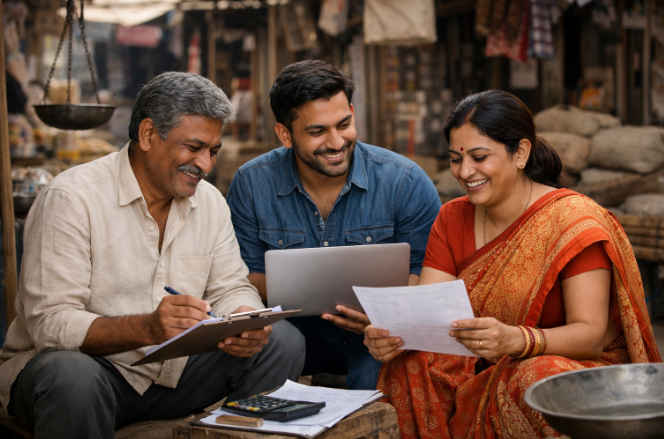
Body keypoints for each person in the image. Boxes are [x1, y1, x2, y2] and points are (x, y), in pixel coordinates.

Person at [0, 72, 305, 438]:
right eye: (193, 147)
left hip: (172, 377)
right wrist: (147, 328)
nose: (206, 165)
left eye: (213, 151)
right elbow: (51, 323)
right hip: (92, 375)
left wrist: (243, 319)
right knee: (71, 376)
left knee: (282, 341)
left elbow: (230, 287)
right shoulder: (71, 198)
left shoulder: (210, 203)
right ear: (148, 135)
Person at [364, 90, 661, 438]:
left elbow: (591, 336)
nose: (465, 171)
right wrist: (392, 336)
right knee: (411, 362)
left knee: (536, 377)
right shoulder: (452, 218)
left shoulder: (571, 221)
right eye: (456, 159)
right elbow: (428, 316)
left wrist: (515, 340)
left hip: (575, 366)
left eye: (479, 157)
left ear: (520, 153)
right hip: (485, 362)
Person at [226, 60, 441, 390]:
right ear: (285, 134)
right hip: (291, 332)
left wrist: (387, 316)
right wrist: (309, 292)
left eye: (344, 124)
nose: (337, 142)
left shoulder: (405, 182)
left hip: (376, 336)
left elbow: (428, 275)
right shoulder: (252, 184)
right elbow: (241, 276)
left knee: (380, 387)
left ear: (353, 112)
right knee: (261, 361)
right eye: (317, 131)